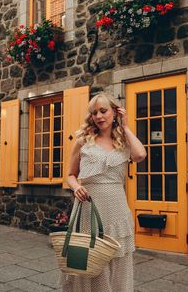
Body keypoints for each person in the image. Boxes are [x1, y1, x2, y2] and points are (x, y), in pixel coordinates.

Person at [62, 92, 146, 292]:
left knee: (118, 262)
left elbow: (141, 154)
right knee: (89, 261)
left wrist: (125, 126)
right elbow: (71, 175)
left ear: (115, 112)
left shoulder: (124, 142)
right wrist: (76, 187)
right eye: (94, 113)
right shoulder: (83, 141)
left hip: (117, 208)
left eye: (103, 111)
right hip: (88, 208)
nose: (99, 116)